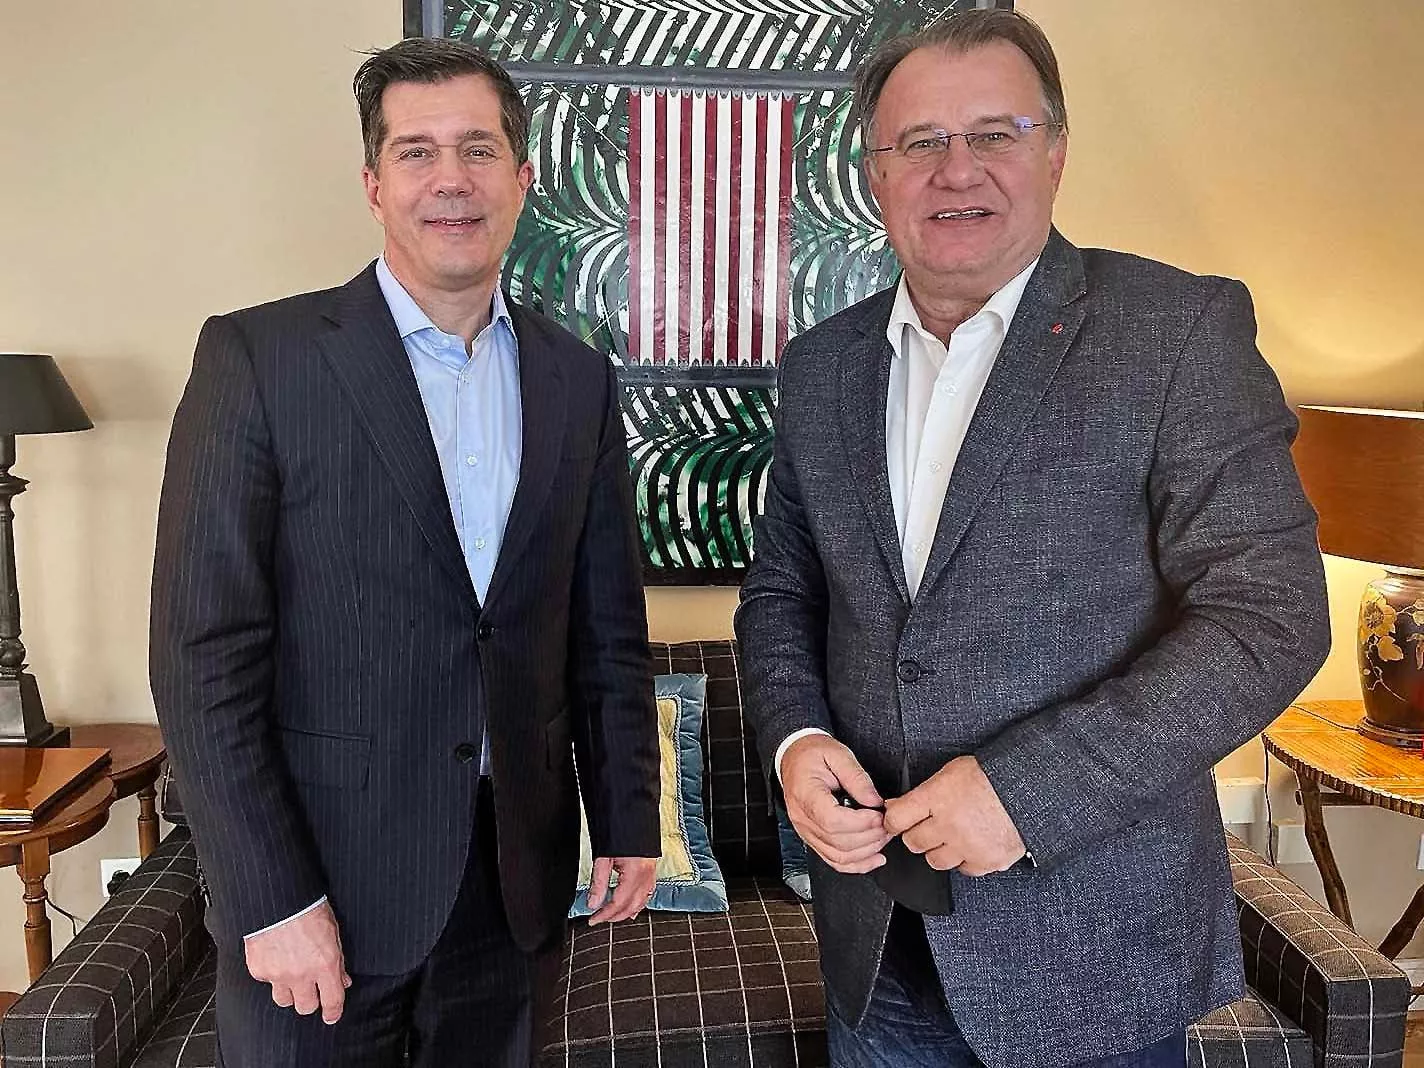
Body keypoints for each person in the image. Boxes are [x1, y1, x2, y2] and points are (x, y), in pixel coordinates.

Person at [735, 10, 1330, 1068]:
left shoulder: (1176, 333)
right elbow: (783, 591)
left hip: (1093, 955)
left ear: (1055, 151)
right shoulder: (821, 367)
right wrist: (796, 741)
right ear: (875, 175)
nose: (955, 169)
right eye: (920, 141)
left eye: (994, 133)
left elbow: (1271, 614)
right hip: (875, 949)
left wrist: (1024, 792)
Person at [150, 37, 660, 1068]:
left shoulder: (577, 378)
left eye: (478, 149)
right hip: (320, 892)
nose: (450, 179)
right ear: (374, 183)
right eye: (416, 151)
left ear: (522, 177)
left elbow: (605, 629)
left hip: (510, 890)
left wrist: (626, 817)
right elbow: (201, 659)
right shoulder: (259, 360)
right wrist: (269, 897)